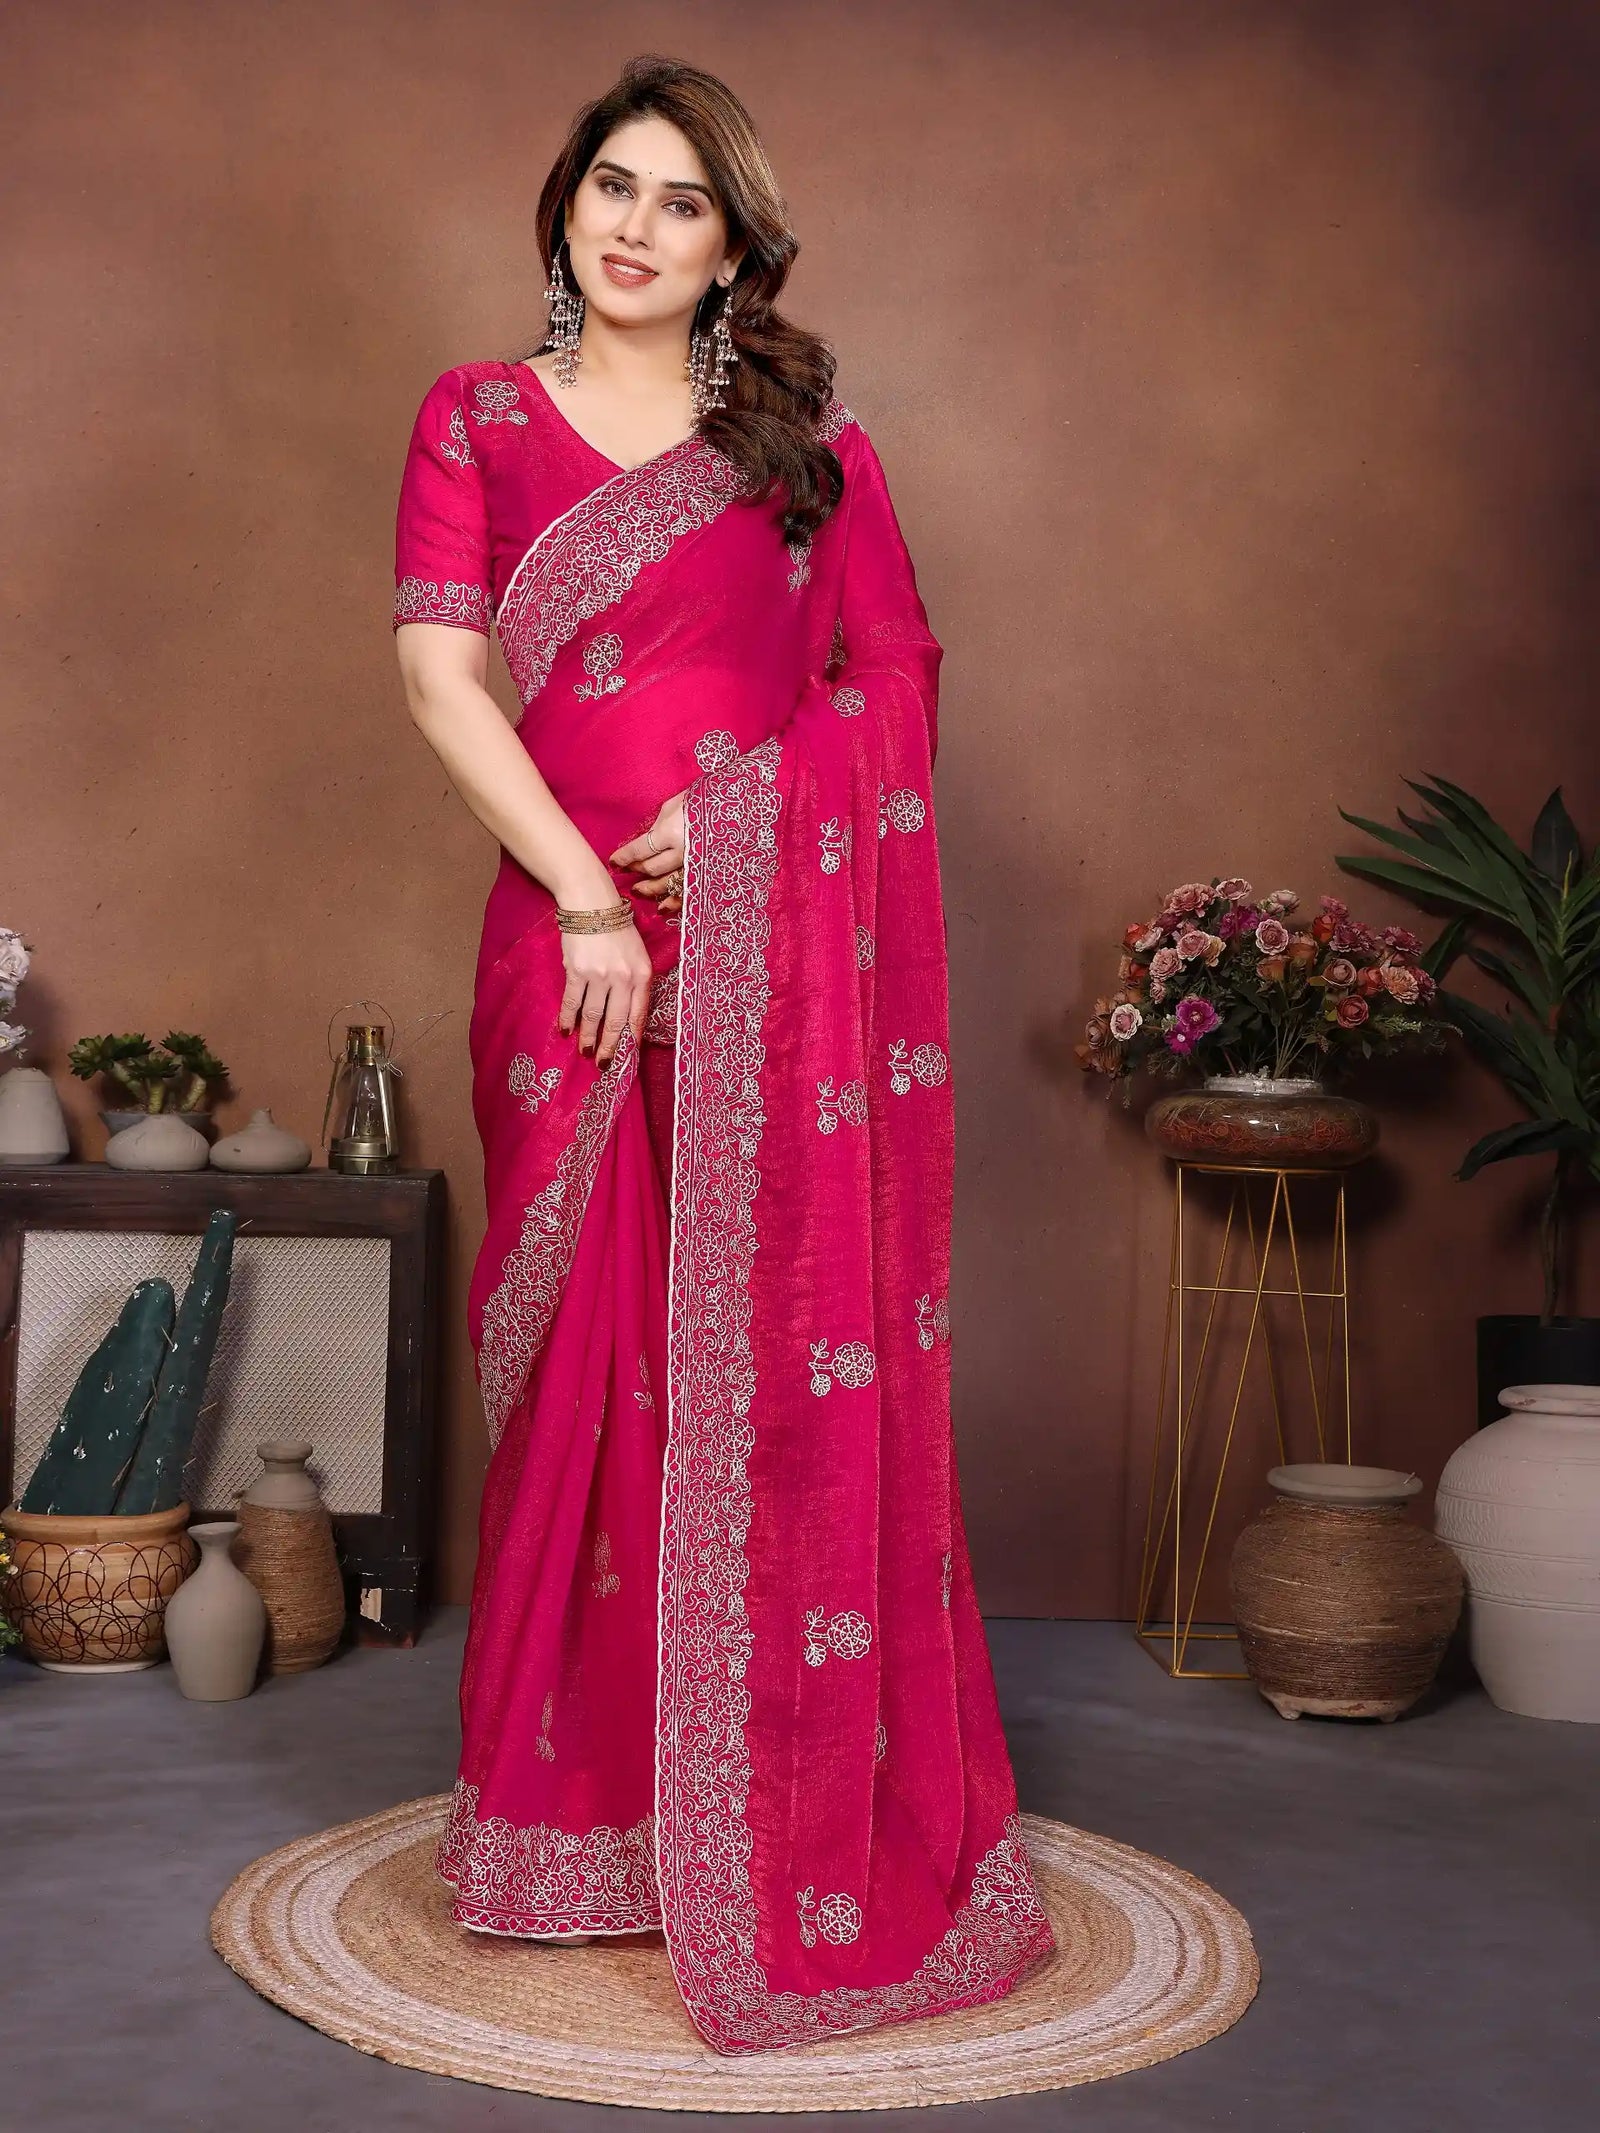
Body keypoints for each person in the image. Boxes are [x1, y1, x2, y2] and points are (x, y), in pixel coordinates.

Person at [392, 53, 1055, 2057]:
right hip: (569, 957)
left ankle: (749, 1800)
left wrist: (754, 810)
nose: (631, 225)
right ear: (562, 202)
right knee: (591, 1371)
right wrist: (592, 893)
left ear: (732, 246)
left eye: (679, 202)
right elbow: (439, 672)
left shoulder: (799, 443)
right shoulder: (478, 416)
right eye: (609, 183)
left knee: (749, 1354)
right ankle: (567, 1818)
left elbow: (893, 679)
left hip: (774, 963)